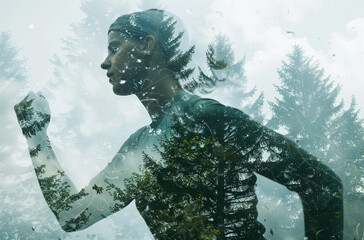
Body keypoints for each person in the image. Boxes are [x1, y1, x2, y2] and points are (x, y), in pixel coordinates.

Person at [14, 9, 343, 240]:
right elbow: (73, 215)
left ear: (147, 45)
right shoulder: (137, 147)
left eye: (115, 48)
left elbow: (322, 186)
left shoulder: (208, 118)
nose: (105, 62)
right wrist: (35, 135)